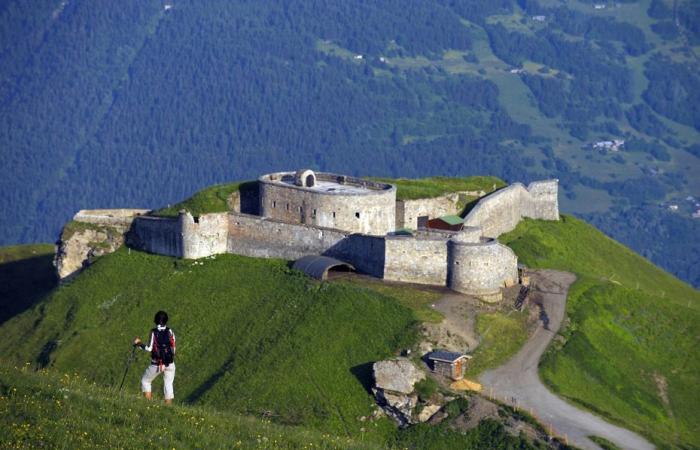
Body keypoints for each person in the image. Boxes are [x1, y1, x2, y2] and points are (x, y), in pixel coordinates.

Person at [133, 310, 176, 404]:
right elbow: (173, 348)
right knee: (168, 384)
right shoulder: (170, 331)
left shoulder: (154, 332)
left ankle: (148, 404)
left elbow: (149, 348)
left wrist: (138, 343)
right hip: (170, 363)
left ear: (155, 320)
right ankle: (168, 407)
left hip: (157, 364)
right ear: (166, 321)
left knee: (145, 381)